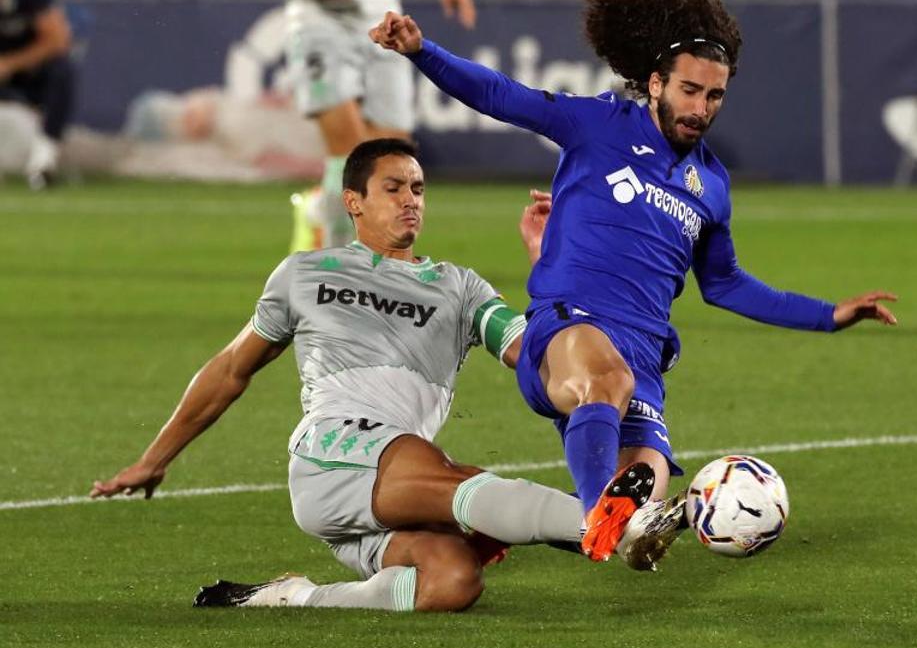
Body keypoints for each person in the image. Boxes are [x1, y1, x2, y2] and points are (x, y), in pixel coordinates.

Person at [368, 0, 900, 567]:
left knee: (647, 485)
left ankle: (527, 522)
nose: (700, 108)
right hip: (569, 325)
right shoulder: (597, 123)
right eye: (690, 90)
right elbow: (500, 94)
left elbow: (724, 284)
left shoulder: (712, 187)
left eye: (715, 96)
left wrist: (829, 315)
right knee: (606, 388)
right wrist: (422, 51)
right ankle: (599, 513)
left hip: (644, 354)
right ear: (655, 83)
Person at [90, 139, 657, 613]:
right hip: (333, 449)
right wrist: (154, 458)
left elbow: (538, 353)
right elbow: (231, 369)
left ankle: (294, 596)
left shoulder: (458, 288)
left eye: (418, 189)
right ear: (353, 201)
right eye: (394, 188)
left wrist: (548, 264)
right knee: (457, 480)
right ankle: (613, 524)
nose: (411, 201)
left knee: (452, 580)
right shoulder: (303, 273)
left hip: (385, 489)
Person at [284, 0, 477, 252]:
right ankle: (335, 275)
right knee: (348, 156)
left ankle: (319, 210)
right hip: (321, 19)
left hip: (383, 18)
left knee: (391, 159)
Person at [0, 0, 73, 189]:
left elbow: (58, 40)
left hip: (28, 71)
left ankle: (44, 159)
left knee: (62, 70)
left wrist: (10, 64)